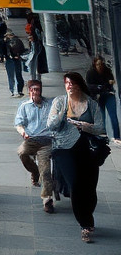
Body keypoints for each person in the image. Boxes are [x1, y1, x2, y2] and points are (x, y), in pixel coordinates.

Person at [47, 70, 106, 242]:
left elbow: (100, 128)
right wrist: (62, 114)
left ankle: (87, 213)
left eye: (72, 83)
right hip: (64, 149)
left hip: (88, 149)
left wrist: (83, 125)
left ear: (79, 85)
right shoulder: (60, 102)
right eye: (66, 83)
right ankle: (85, 225)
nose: (69, 86)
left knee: (90, 188)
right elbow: (51, 125)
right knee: (75, 184)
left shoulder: (92, 104)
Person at [15, 79, 55, 213]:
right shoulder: (24, 105)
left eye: (37, 89)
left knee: (46, 170)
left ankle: (47, 199)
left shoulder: (49, 104)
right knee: (22, 152)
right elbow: (19, 123)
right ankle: (34, 171)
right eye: (32, 90)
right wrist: (23, 132)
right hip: (31, 139)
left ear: (41, 90)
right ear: (28, 91)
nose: (35, 92)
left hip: (46, 140)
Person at [86, 56, 120, 141]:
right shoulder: (91, 73)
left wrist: (106, 85)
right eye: (98, 64)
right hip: (98, 96)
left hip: (108, 94)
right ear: (94, 64)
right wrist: (101, 86)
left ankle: (117, 136)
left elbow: (111, 81)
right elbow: (89, 87)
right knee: (101, 115)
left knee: (113, 116)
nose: (100, 66)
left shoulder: (107, 70)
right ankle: (104, 134)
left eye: (101, 64)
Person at [3, 29, 26, 97]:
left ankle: (13, 90)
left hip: (10, 60)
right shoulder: (19, 41)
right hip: (17, 59)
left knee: (11, 76)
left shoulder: (7, 42)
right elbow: (23, 49)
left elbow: (6, 52)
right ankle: (19, 90)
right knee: (18, 75)